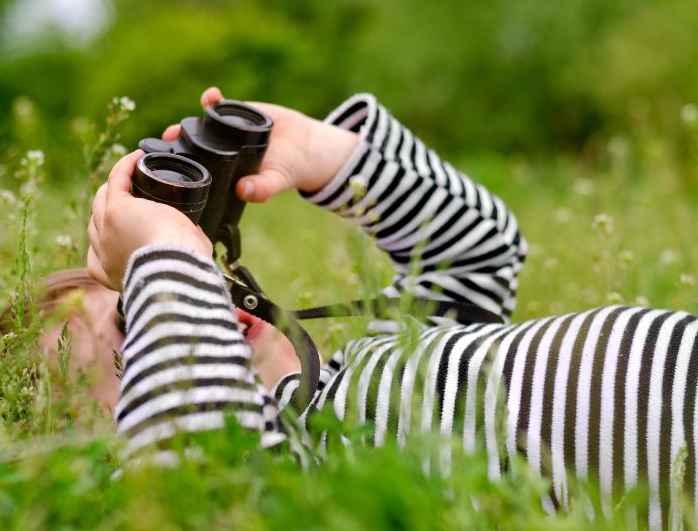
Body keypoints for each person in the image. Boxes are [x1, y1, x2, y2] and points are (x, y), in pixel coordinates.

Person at [86, 87, 697, 529]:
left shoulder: (378, 364)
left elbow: (479, 250)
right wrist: (165, 249)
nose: (197, 299)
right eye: (134, 324)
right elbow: (192, 472)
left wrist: (324, 153)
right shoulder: (308, 485)